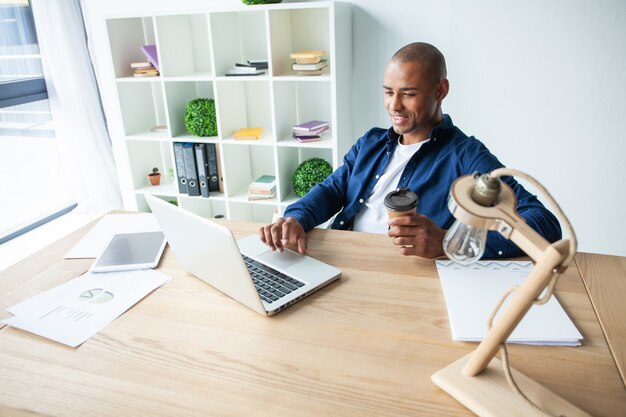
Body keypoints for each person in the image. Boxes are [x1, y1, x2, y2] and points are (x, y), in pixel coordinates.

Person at [259, 42, 561, 259]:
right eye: (389, 92)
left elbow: (545, 225)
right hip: (348, 259)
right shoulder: (371, 142)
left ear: (440, 91)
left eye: (408, 94)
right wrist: (295, 219)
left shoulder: (466, 155)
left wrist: (447, 242)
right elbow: (331, 190)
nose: (394, 105)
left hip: (410, 278)